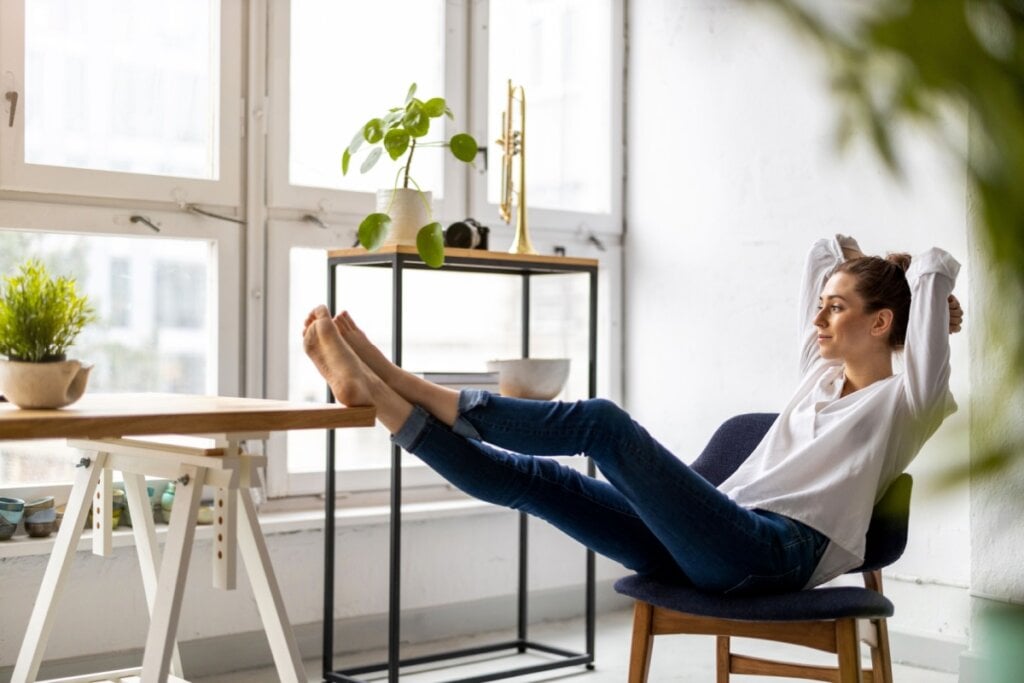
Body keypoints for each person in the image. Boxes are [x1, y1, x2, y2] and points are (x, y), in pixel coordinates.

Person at [302, 234, 963, 595]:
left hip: (771, 554)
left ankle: (406, 381)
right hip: (718, 531)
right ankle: (388, 401)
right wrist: (864, 272)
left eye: (837, 308)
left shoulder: (906, 404)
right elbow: (824, 250)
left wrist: (928, 294)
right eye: (820, 305)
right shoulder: (816, 379)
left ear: (882, 324)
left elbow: (932, 269)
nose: (818, 318)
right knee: (542, 480)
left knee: (603, 423)